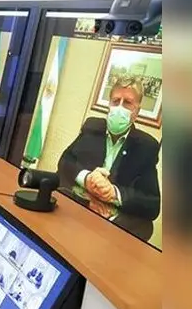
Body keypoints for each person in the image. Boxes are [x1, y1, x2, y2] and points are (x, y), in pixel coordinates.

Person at [58, 79, 162, 241]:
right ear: (109, 104)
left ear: (137, 111)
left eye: (127, 103)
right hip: (79, 209)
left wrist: (114, 193)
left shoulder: (146, 147)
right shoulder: (92, 127)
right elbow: (65, 162)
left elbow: (152, 204)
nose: (119, 107)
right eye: (115, 101)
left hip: (112, 224)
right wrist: (87, 178)